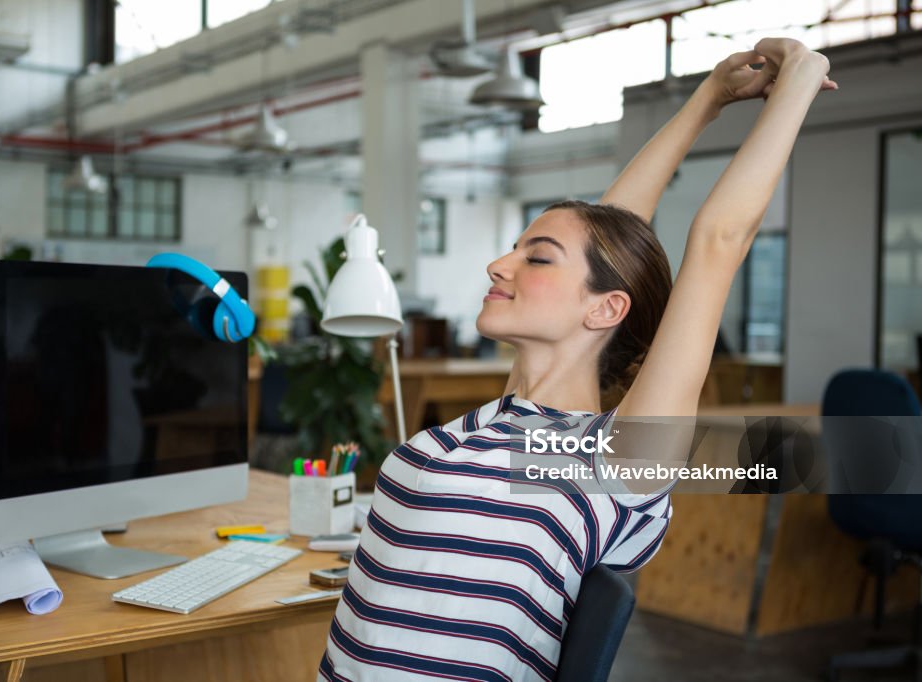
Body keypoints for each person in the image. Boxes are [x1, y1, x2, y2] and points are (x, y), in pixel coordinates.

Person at [319, 37, 836, 681]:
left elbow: (718, 242)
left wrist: (797, 84)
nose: (498, 264)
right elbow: (611, 229)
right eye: (516, 248)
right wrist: (708, 98)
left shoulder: (610, 460)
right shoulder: (506, 422)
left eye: (535, 258)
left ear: (604, 311)